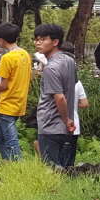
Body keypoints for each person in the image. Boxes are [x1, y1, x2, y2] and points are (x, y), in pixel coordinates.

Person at [0, 22, 32, 161]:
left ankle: (18, 166)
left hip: (8, 103)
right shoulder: (25, 54)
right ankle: (8, 163)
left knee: (11, 140)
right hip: (20, 101)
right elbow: (29, 78)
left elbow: (3, 85)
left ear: (1, 40)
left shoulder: (6, 58)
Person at [34, 24, 76, 167]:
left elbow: (59, 97)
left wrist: (66, 119)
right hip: (64, 129)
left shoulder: (51, 68)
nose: (38, 43)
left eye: (43, 39)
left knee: (51, 170)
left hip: (50, 124)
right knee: (64, 169)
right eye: (37, 39)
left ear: (55, 42)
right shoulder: (69, 61)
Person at [61, 42, 88, 166]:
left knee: (59, 157)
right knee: (70, 157)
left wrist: (64, 105)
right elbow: (84, 103)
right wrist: (72, 104)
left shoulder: (59, 80)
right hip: (75, 124)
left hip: (60, 123)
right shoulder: (78, 82)